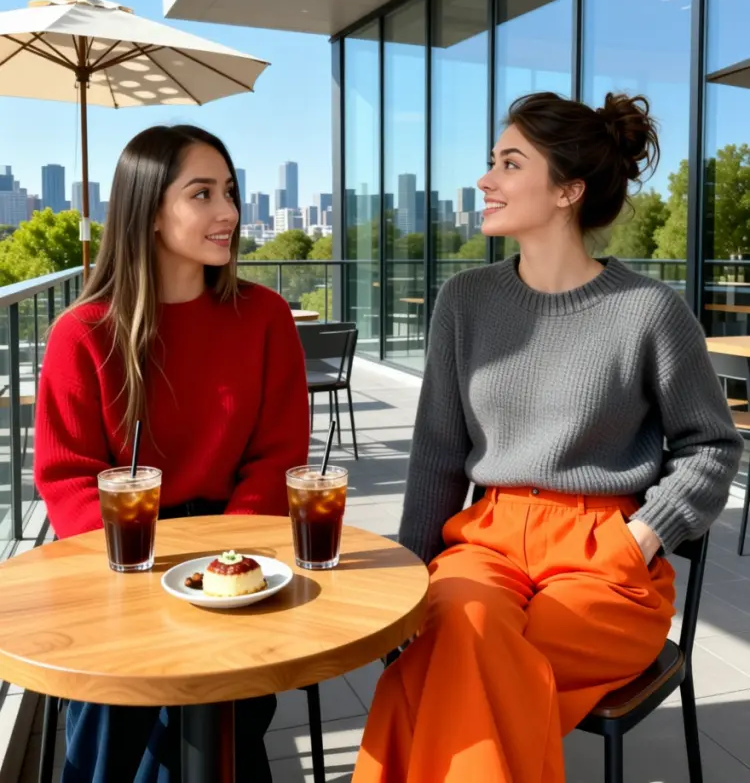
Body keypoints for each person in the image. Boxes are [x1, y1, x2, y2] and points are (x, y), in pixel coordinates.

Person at [353, 92, 744, 783]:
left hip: (604, 557)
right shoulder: (464, 303)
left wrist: (644, 535)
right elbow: (440, 455)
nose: (485, 179)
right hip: (487, 540)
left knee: (451, 663)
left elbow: (712, 445)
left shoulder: (650, 311)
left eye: (509, 162)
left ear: (567, 189)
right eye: (491, 162)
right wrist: (409, 580)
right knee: (454, 635)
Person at [34, 124, 310, 783]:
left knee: (222, 712)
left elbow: (277, 457)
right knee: (117, 700)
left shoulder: (267, 317)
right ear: (150, 211)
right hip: (118, 558)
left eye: (231, 192)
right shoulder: (84, 333)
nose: (230, 212)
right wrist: (146, 562)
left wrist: (219, 564)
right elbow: (67, 475)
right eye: (203, 193)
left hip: (236, 556)